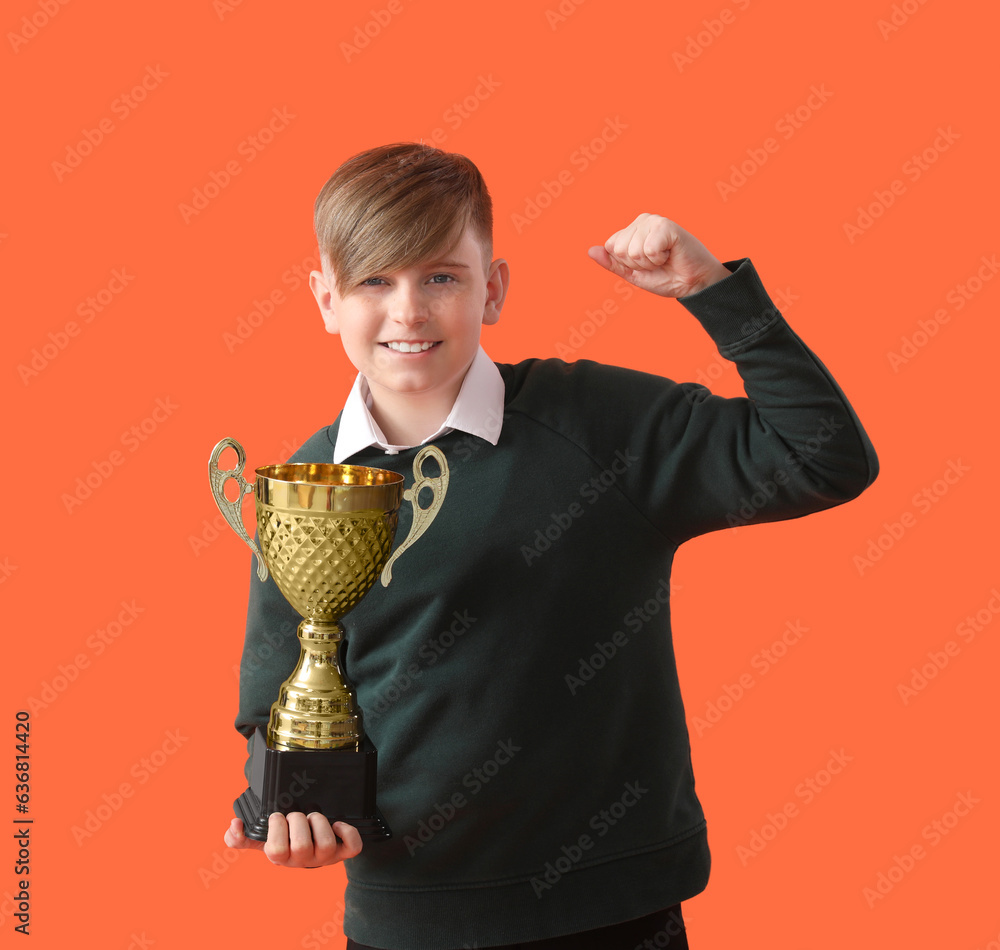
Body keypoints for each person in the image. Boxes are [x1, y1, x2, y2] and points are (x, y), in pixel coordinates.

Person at [223, 142, 878, 950]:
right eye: (373, 281)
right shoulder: (304, 492)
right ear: (325, 299)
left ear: (491, 289)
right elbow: (273, 704)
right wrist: (283, 810)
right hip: (410, 919)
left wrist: (712, 292)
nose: (407, 312)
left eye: (441, 276)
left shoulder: (600, 424)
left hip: (614, 914)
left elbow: (823, 456)